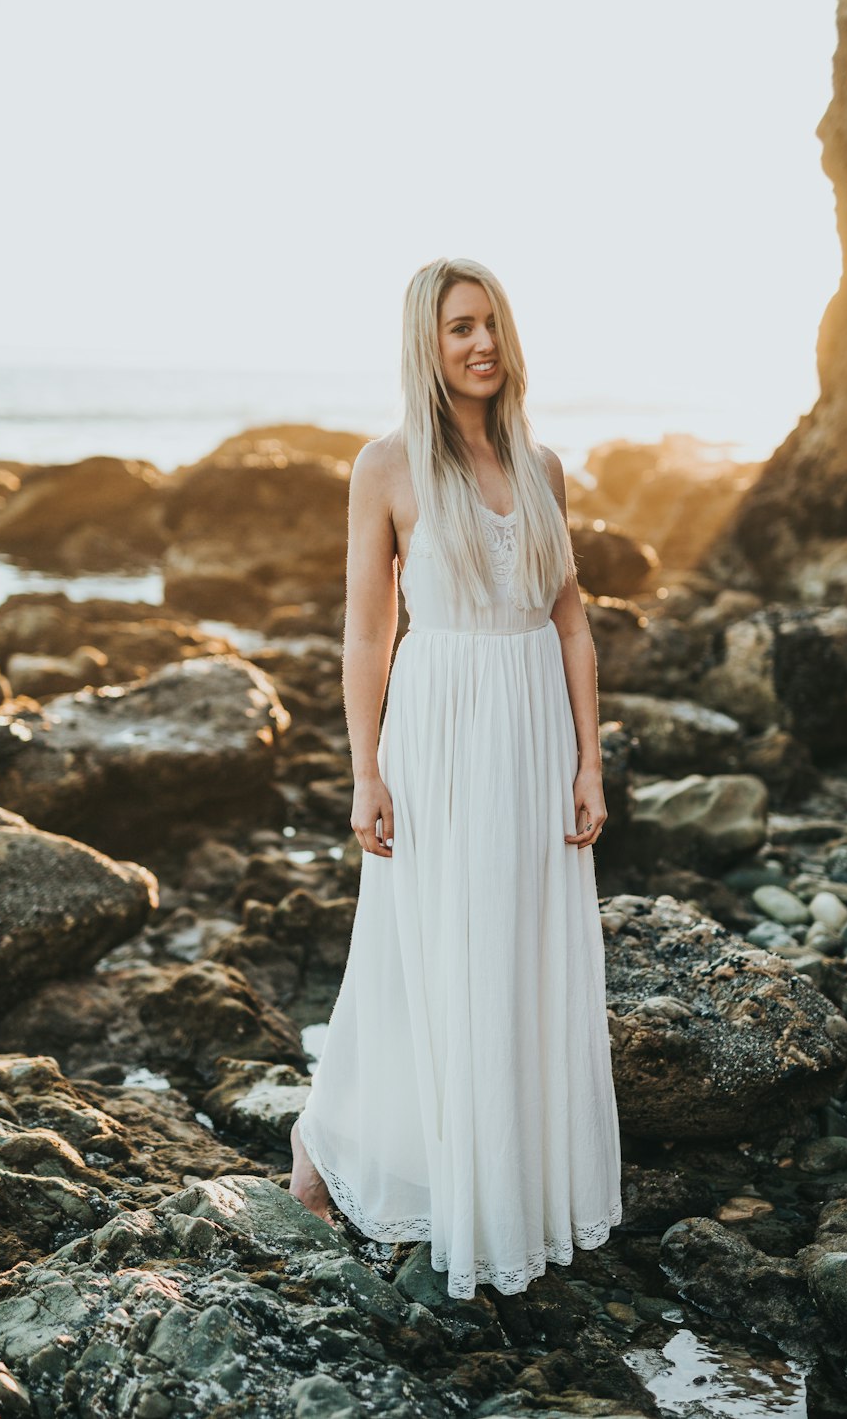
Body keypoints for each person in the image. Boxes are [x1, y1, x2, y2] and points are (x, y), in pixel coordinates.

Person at [289, 256, 622, 1299]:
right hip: (435, 734)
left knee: (516, 954)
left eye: (490, 324)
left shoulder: (542, 466)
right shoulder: (385, 469)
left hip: (528, 734)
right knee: (418, 951)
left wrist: (588, 760)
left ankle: (503, 1181)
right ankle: (321, 1150)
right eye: (457, 329)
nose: (480, 343)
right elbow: (366, 632)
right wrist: (363, 772)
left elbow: (570, 622)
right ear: (426, 348)